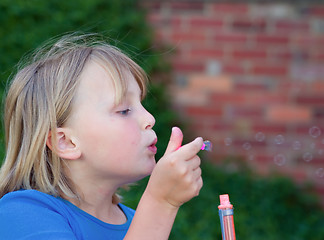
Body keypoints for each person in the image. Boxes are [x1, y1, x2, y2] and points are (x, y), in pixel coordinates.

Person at [0, 33, 204, 239]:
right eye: (124, 110)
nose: (149, 118)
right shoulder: (22, 214)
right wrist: (160, 203)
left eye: (141, 104)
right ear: (66, 142)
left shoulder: (139, 223)